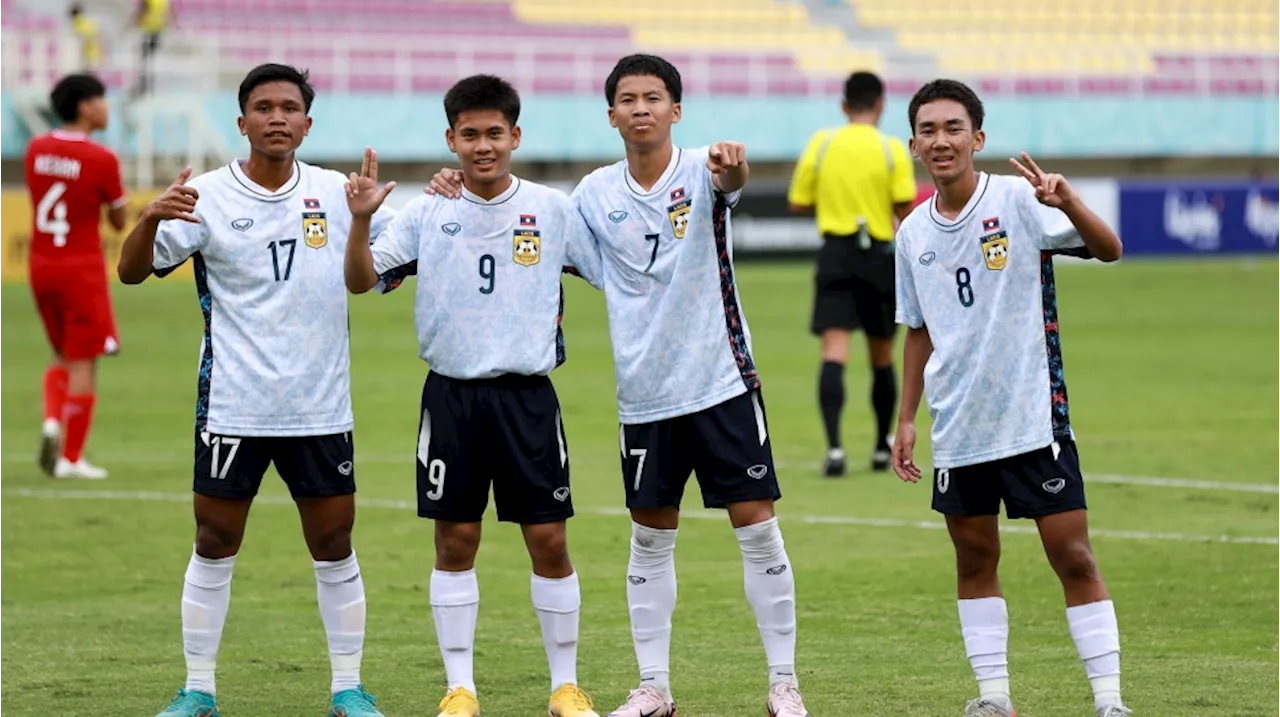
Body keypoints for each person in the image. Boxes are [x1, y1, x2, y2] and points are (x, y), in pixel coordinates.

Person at [427, 53, 811, 717]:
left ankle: (784, 683)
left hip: (721, 380)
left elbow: (734, 182)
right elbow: (533, 237)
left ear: (675, 110)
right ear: (611, 114)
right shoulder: (592, 196)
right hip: (645, 394)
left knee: (757, 527)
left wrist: (735, 168)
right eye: (628, 98)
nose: (641, 108)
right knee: (650, 537)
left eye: (653, 97)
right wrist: (452, 188)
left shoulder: (706, 170)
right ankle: (653, 687)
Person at [116, 63, 391, 717]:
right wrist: (152, 218)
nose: (276, 117)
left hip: (319, 406)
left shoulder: (335, 191)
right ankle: (199, 688)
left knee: (334, 544)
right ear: (241, 122)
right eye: (262, 107)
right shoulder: (206, 194)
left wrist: (361, 220)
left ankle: (347, 687)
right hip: (233, 404)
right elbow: (130, 272)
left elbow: (372, 275)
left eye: (288, 107)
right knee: (213, 540)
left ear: (307, 122)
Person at [343, 74, 602, 717]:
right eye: (470, 135)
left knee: (549, 542)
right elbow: (362, 279)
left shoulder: (552, 208)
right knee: (455, 541)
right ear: (450, 139)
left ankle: (564, 687)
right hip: (452, 399)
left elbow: (614, 273)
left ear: (515, 136)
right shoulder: (429, 211)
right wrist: (359, 223)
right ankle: (461, 689)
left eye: (494, 133)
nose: (482, 145)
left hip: (529, 400)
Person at [891, 79, 1130, 717]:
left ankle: (1109, 702)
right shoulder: (912, 233)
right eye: (928, 131)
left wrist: (1070, 201)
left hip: (1032, 419)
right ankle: (995, 699)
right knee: (975, 558)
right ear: (913, 144)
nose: (941, 141)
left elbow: (1109, 250)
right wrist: (906, 417)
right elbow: (918, 328)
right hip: (959, 425)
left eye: (953, 128)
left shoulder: (1019, 201)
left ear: (978, 138)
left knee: (1073, 556)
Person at [787, 71, 917, 477]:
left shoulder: (822, 144)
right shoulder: (892, 148)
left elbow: (797, 202)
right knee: (882, 356)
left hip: (836, 252)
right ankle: (881, 448)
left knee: (834, 353)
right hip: (879, 254)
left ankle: (836, 450)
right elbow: (904, 210)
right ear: (880, 105)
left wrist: (832, 207)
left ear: (844, 106)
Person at [25, 72, 127, 480]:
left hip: (41, 263)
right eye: (102, 100)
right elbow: (119, 222)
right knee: (85, 360)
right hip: (80, 267)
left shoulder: (36, 148)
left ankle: (51, 419)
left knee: (60, 353)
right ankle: (71, 457)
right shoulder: (101, 158)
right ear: (85, 106)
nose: (107, 108)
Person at [68, 4, 102, 70]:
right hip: (94, 54)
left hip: (86, 56)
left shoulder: (77, 23)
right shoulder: (91, 22)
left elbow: (78, 38)